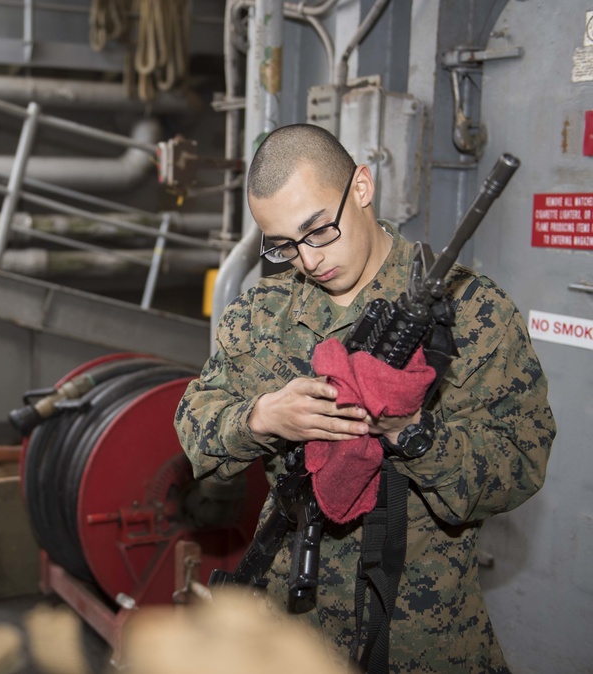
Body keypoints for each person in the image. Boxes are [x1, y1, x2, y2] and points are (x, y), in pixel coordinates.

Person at [175, 123, 556, 673]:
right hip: (288, 633)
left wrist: (411, 431)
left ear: (361, 188)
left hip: (421, 636)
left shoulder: (472, 312)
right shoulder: (262, 313)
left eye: (317, 231)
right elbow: (195, 425)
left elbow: (521, 464)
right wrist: (262, 417)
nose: (307, 260)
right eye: (283, 245)